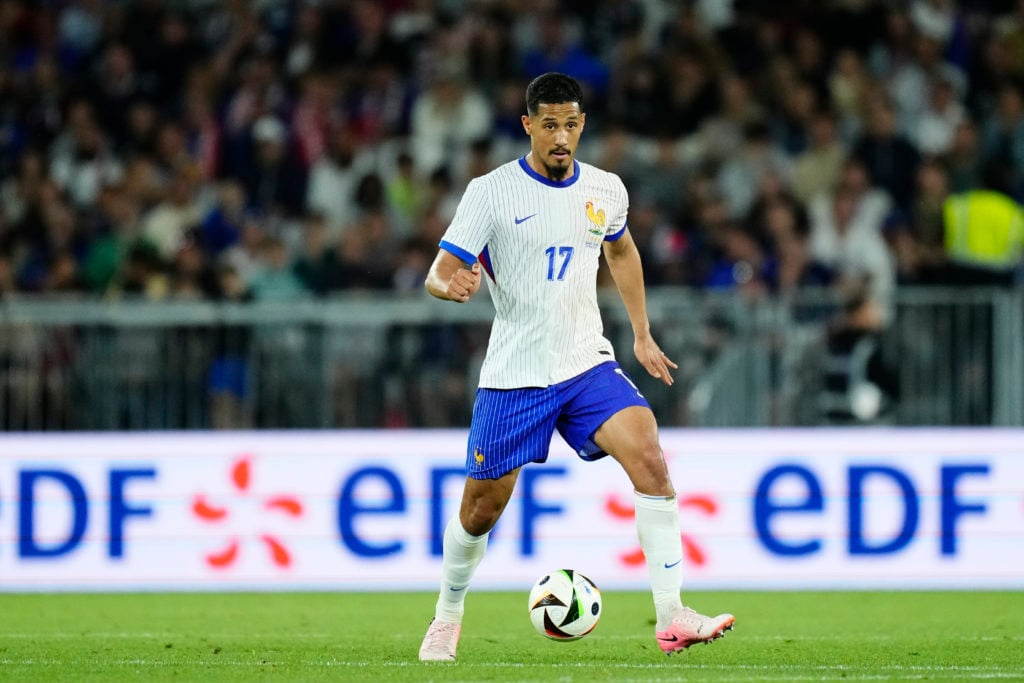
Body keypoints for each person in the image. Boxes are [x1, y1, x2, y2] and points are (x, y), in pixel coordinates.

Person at [418, 72, 734, 662]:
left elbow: (620, 249)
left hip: (586, 361)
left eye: (570, 125)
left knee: (649, 456)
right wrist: (449, 285)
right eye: (549, 126)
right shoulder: (491, 192)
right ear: (528, 126)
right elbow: (438, 270)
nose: (561, 137)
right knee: (480, 507)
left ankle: (673, 615)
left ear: (581, 125)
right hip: (516, 374)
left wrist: (640, 333)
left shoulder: (607, 189)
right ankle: (447, 614)